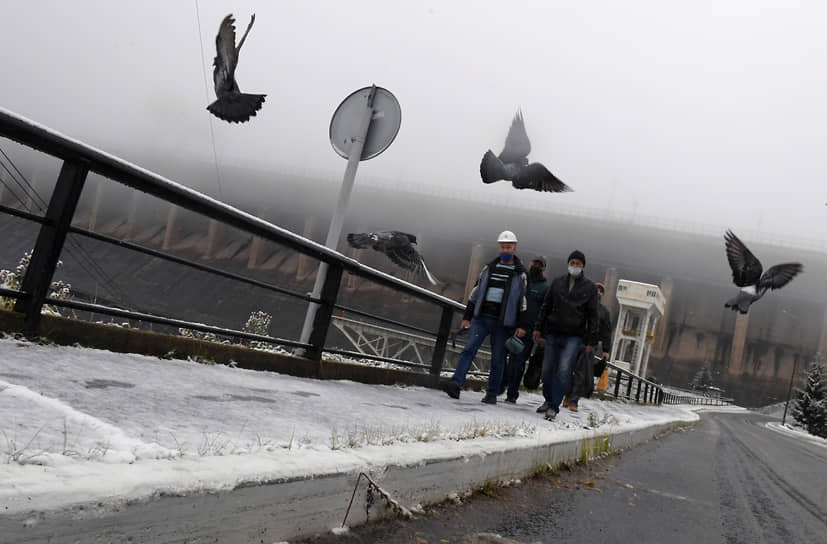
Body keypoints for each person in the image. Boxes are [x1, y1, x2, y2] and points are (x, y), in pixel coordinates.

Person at [440, 230, 528, 404]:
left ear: (514, 248)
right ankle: (456, 385)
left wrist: (521, 325)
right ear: (498, 247)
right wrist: (467, 317)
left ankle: (492, 393)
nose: (505, 250)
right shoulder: (488, 268)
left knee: (497, 358)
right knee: (468, 350)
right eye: (503, 247)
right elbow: (475, 293)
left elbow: (523, 302)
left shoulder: (520, 274)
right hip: (482, 318)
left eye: (508, 247)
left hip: (503, 322)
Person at [532, 250, 598, 420]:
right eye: (572, 263)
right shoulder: (558, 283)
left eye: (578, 264)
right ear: (568, 264)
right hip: (553, 332)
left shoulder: (589, 288)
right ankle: (548, 399)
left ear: (583, 266)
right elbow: (546, 306)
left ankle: (554, 406)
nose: (574, 266)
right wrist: (538, 328)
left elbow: (593, 315)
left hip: (574, 336)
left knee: (564, 370)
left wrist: (591, 340)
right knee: (546, 370)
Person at [502, 256, 549, 404]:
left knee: (518, 362)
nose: (536, 266)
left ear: (544, 269)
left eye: (539, 265)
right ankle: (499, 386)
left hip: (528, 331)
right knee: (502, 358)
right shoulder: (521, 279)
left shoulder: (545, 288)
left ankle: (512, 393)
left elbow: (545, 312)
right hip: (511, 326)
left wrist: (540, 332)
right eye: (534, 263)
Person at [564, 281, 613, 411]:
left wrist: (606, 350)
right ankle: (567, 396)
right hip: (575, 341)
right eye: (596, 289)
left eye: (601, 291)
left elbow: (606, 332)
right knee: (568, 370)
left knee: (581, 374)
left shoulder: (604, 312)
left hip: (590, 345)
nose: (598, 292)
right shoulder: (581, 304)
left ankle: (574, 401)